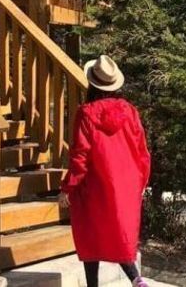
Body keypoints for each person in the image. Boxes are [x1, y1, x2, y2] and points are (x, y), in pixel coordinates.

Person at [58, 54, 152, 287]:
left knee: (91, 236)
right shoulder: (130, 111)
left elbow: (80, 156)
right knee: (118, 235)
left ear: (92, 83)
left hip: (94, 186)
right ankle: (137, 280)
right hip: (126, 185)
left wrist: (68, 188)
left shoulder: (86, 113)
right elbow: (142, 152)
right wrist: (141, 183)